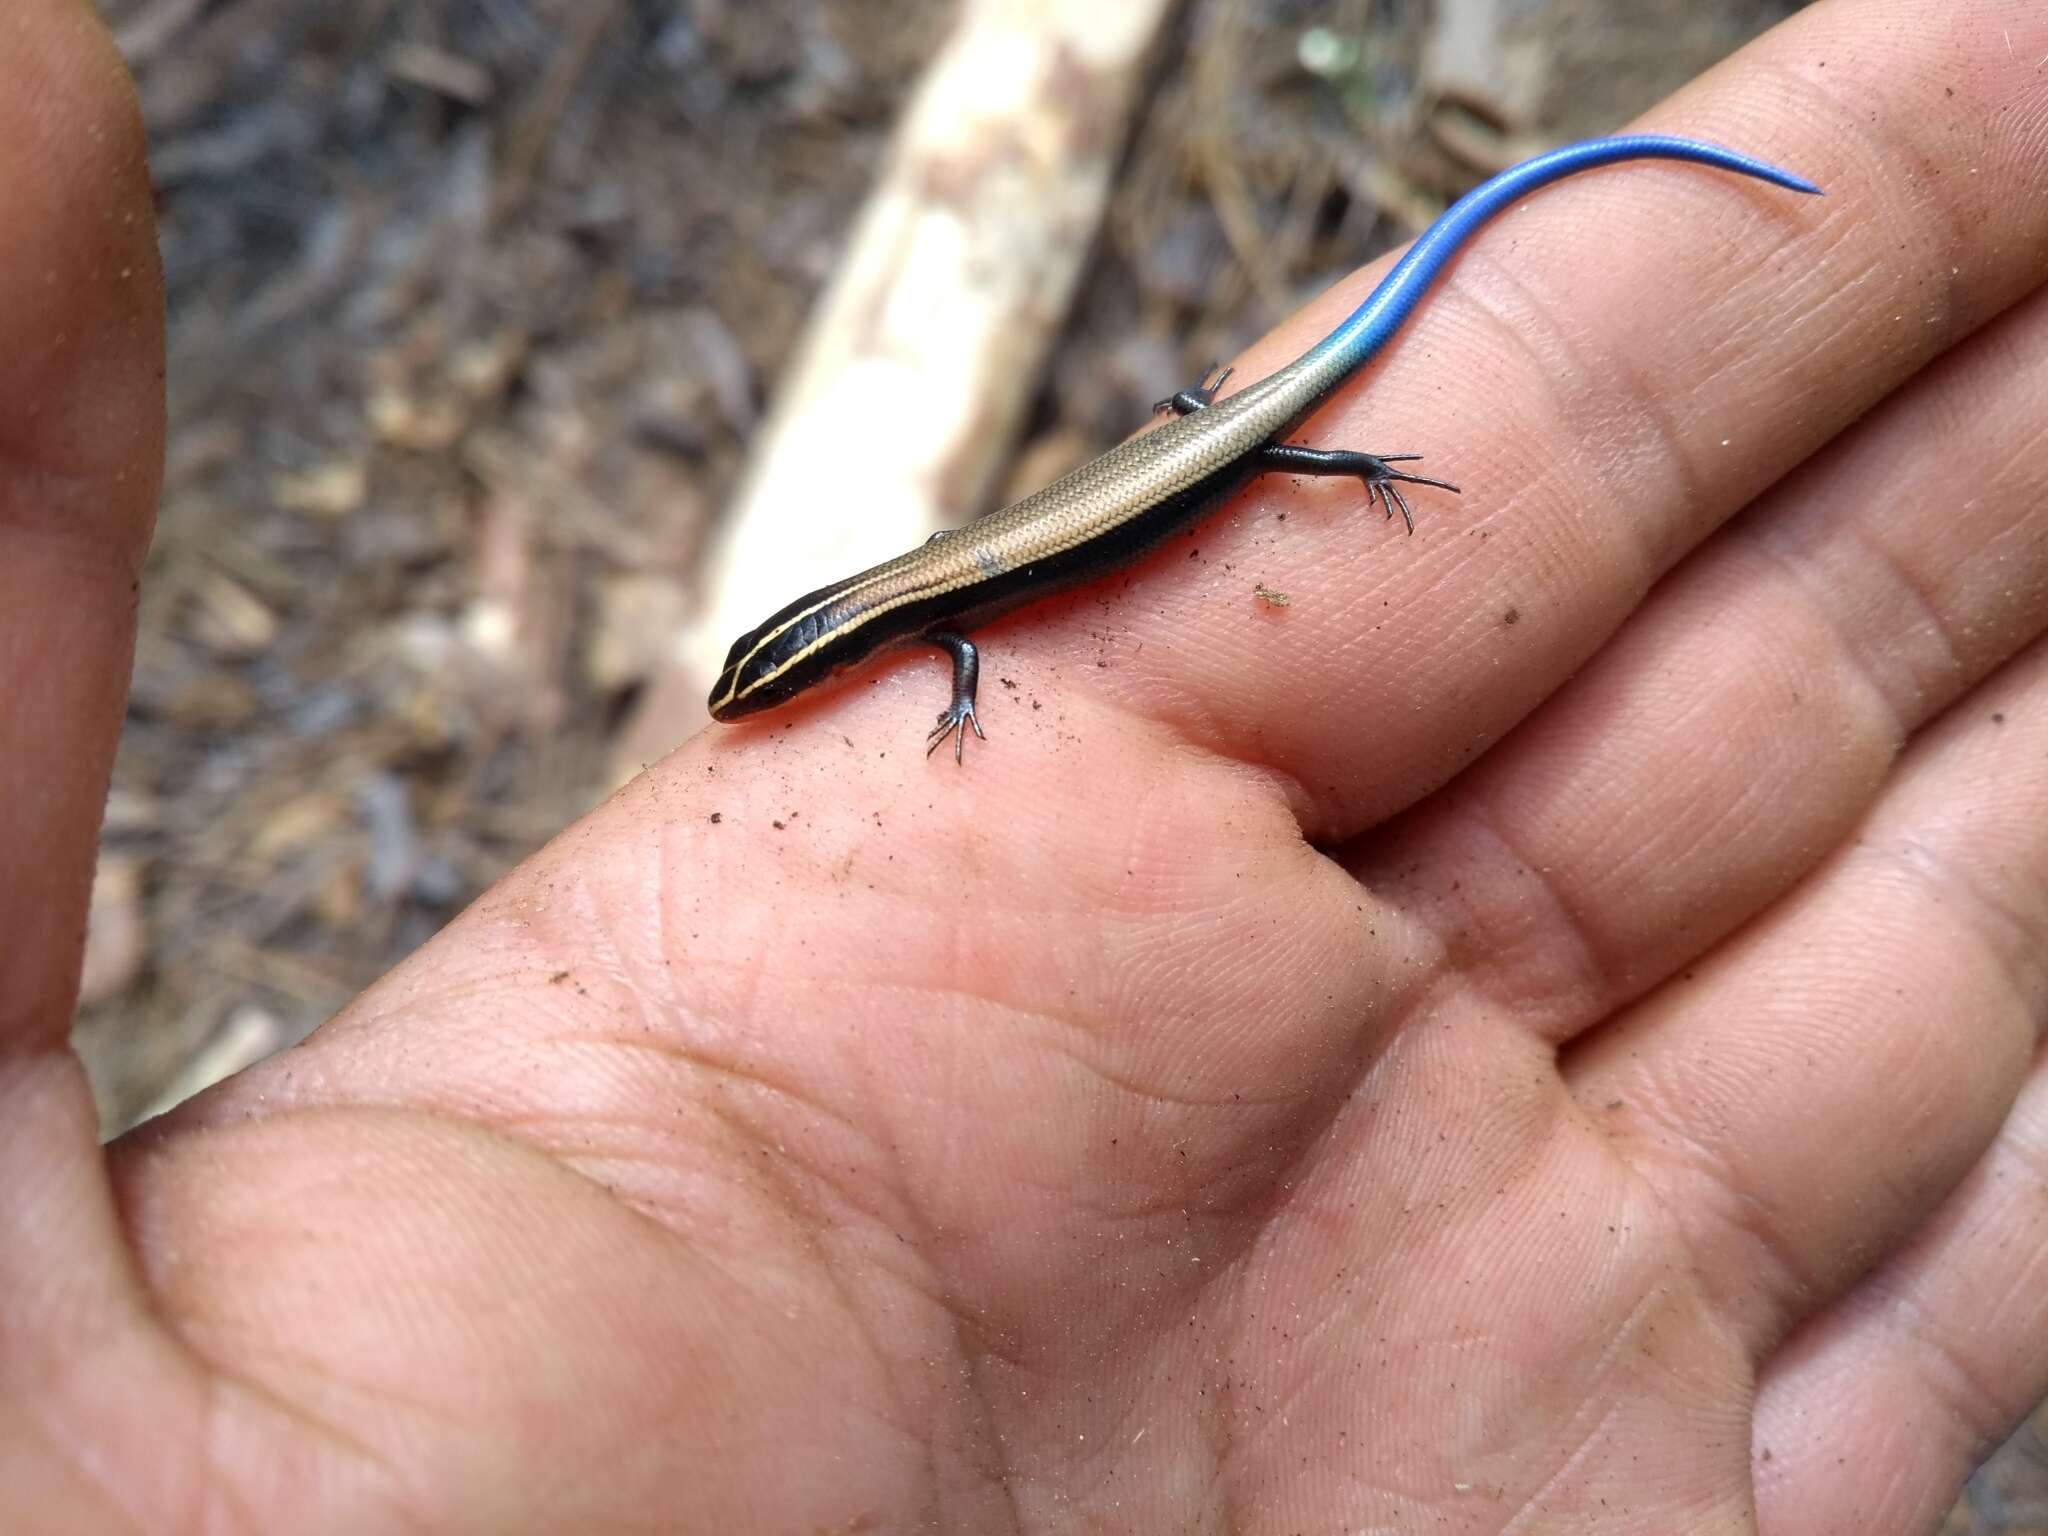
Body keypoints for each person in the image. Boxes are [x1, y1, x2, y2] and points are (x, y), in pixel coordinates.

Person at [6, 0, 2045, 1529]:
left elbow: (968, 618)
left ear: (832, 655)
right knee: (1234, 450)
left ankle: (1404, 358)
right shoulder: (912, 612)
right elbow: (942, 620)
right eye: (782, 677)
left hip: (1222, 453)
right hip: (1152, 468)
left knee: (1270, 454)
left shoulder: (927, 619)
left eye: (778, 677)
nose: (775, 699)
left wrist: (1010, 658)